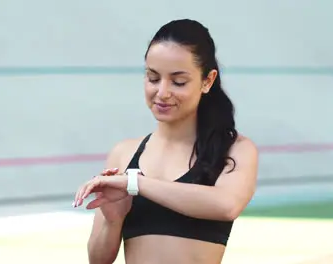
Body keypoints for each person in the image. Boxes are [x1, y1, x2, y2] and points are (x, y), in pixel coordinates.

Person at [73, 18, 259, 264]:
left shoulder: (235, 150)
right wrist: (113, 219)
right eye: (153, 78)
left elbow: (226, 205)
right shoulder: (124, 153)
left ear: (207, 81)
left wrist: (136, 184)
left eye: (178, 81)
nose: (162, 92)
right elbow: (98, 260)